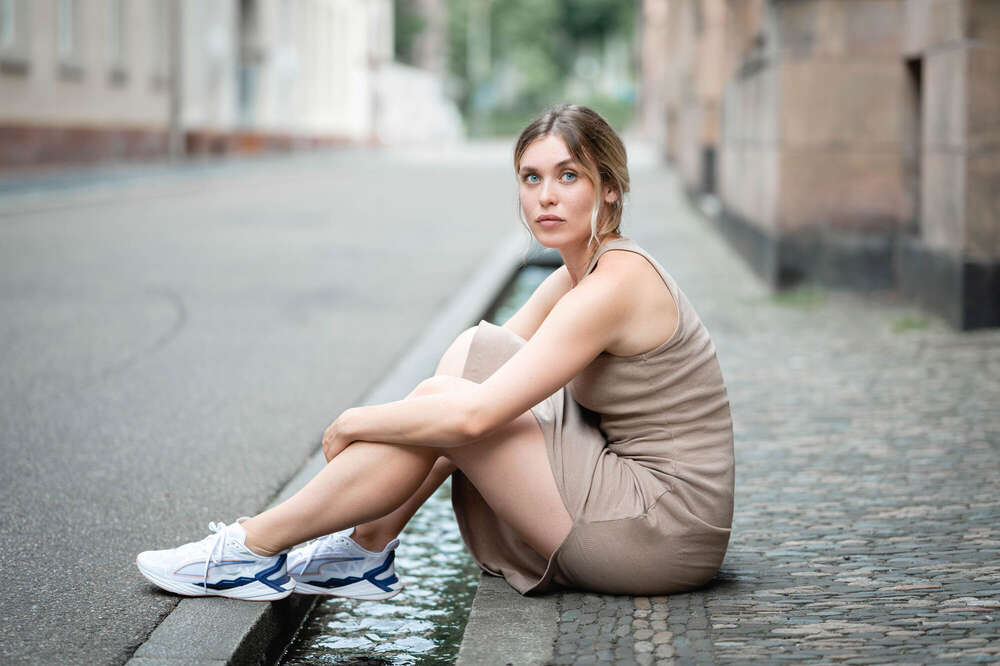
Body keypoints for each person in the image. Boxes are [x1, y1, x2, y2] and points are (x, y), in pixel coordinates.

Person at [136, 104, 735, 602]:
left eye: (568, 176)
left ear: (609, 188)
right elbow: (484, 369)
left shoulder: (615, 284)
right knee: (475, 354)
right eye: (531, 178)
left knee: (451, 404)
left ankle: (254, 546)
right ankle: (362, 550)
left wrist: (354, 421)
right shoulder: (580, 274)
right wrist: (420, 415)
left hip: (656, 532)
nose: (546, 197)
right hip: (641, 506)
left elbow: (472, 418)